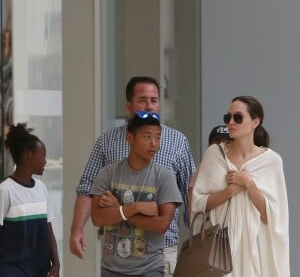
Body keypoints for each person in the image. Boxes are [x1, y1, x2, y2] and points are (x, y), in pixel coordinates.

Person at [69, 76, 195, 276]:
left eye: (154, 101)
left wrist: (197, 236)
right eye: (142, 100)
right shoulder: (107, 142)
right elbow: (87, 187)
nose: (149, 106)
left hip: (162, 249)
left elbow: (189, 192)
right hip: (118, 249)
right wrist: (77, 229)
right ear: (128, 105)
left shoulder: (177, 141)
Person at [191, 96, 290, 276]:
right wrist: (230, 191)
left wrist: (249, 184)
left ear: (255, 121)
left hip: (255, 247)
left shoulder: (271, 161)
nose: (231, 122)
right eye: (227, 117)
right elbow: (198, 204)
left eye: (238, 117)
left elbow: (273, 216)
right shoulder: (214, 155)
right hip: (219, 249)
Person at [90, 111, 183, 277]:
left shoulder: (164, 177)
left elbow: (162, 225)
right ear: (130, 137)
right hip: (111, 269)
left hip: (149, 269)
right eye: (147, 137)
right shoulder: (108, 173)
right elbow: (98, 218)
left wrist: (118, 209)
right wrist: (135, 208)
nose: (154, 144)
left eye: (158, 137)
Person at [0, 123, 60, 277]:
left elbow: (49, 230)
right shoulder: (5, 189)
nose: (45, 161)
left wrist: (56, 263)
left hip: (40, 271)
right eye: (43, 155)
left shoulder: (41, 188)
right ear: (29, 156)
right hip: (12, 271)